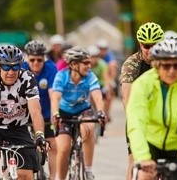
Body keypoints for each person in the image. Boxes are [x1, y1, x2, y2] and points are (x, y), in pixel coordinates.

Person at [126, 38, 177, 180]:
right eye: (166, 66)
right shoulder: (142, 84)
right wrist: (143, 156)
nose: (172, 71)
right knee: (144, 176)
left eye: (176, 66)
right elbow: (136, 121)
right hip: (151, 142)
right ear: (157, 65)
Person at [0, 45, 47, 180]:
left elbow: (35, 110)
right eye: (6, 67)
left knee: (26, 176)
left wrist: (39, 135)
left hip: (18, 127)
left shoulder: (28, 78)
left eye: (15, 67)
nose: (11, 72)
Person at [51, 47, 105, 180]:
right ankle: (60, 178)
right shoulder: (61, 76)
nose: (89, 65)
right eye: (85, 63)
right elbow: (55, 97)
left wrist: (100, 112)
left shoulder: (90, 76)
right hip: (64, 113)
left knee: (88, 129)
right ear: (74, 64)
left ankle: (88, 169)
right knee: (63, 149)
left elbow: (97, 96)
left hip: (83, 110)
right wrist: (55, 113)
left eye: (89, 62)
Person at [120, 21, 164, 180]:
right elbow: (127, 96)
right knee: (135, 161)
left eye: (154, 45)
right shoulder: (132, 64)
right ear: (140, 44)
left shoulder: (168, 62)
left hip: (163, 117)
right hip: (139, 117)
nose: (150, 50)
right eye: (146, 45)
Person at [21, 40, 58, 180]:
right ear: (27, 58)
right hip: (25, 114)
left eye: (39, 60)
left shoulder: (51, 68)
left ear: (44, 58)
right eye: (32, 60)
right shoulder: (21, 68)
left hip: (46, 113)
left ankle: (53, 177)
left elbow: (53, 93)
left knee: (52, 144)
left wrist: (55, 113)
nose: (35, 63)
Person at [96, 38, 117, 121]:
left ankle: (107, 112)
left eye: (104, 49)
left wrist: (111, 81)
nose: (102, 51)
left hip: (106, 78)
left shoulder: (109, 56)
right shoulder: (94, 55)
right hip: (96, 79)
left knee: (110, 92)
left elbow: (112, 68)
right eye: (101, 49)